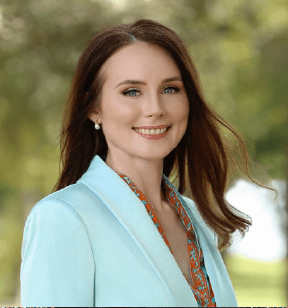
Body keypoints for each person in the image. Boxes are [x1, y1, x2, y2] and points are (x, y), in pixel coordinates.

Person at [20, 19, 275, 307]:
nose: (155, 109)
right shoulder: (63, 218)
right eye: (131, 91)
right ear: (93, 108)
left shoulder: (196, 218)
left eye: (170, 89)